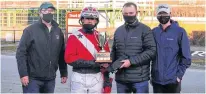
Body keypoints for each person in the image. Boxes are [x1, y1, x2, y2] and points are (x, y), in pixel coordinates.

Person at [16, 2, 68, 93]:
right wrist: (23, 74)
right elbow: (21, 53)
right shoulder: (30, 30)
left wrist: (64, 72)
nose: (48, 13)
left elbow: (61, 53)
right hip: (32, 79)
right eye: (45, 10)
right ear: (40, 13)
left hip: (50, 79)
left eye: (51, 10)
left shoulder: (58, 31)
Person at [106, 2, 156, 93]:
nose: (128, 15)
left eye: (131, 13)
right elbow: (114, 51)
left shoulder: (145, 29)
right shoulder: (118, 31)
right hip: (121, 79)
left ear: (136, 13)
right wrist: (108, 64)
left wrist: (131, 61)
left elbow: (151, 51)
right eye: (125, 14)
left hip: (139, 79)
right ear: (122, 13)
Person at [64, 6, 112, 93]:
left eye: (93, 18)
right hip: (78, 76)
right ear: (82, 19)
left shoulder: (102, 37)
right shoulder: (73, 36)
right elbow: (69, 58)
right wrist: (93, 63)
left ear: (96, 21)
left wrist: (107, 80)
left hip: (97, 76)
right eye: (87, 18)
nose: (90, 21)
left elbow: (105, 61)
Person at [151, 4, 191, 93]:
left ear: (170, 14)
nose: (162, 16)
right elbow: (149, 54)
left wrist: (178, 76)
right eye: (160, 14)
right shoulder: (153, 32)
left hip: (173, 81)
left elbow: (186, 57)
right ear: (157, 15)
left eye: (165, 14)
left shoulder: (180, 32)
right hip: (157, 81)